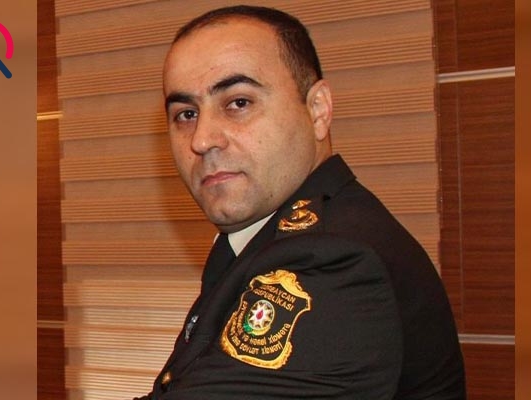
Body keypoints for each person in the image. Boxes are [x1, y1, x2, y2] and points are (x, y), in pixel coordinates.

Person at [135, 5, 465, 400]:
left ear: (318, 110)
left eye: (238, 103)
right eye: (186, 114)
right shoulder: (271, 240)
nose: (202, 139)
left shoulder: (333, 260)